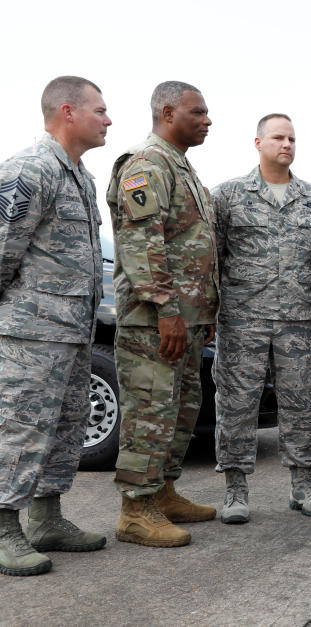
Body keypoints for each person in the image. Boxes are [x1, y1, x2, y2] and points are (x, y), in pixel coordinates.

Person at [0, 76, 110, 576]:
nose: (108, 120)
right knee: (19, 431)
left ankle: (46, 519)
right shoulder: (31, 169)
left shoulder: (81, 176)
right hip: (31, 334)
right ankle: (4, 529)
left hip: (73, 331)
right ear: (68, 112)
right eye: (100, 111)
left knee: (66, 429)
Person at [107, 81, 219, 547]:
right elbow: (141, 243)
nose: (208, 120)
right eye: (199, 112)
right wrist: (166, 311)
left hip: (187, 318)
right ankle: (135, 510)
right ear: (168, 112)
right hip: (154, 320)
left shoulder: (182, 167)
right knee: (150, 411)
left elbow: (191, 244)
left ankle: (165, 493)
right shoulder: (147, 165)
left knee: (180, 410)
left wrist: (202, 310)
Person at [211, 114, 311, 524]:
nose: (287, 144)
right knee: (236, 406)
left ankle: (303, 487)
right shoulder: (227, 197)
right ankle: (235, 492)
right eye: (278, 137)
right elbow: (215, 258)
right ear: (258, 142)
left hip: (296, 322)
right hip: (242, 321)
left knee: (299, 404)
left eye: (293, 138)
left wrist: (294, 292)